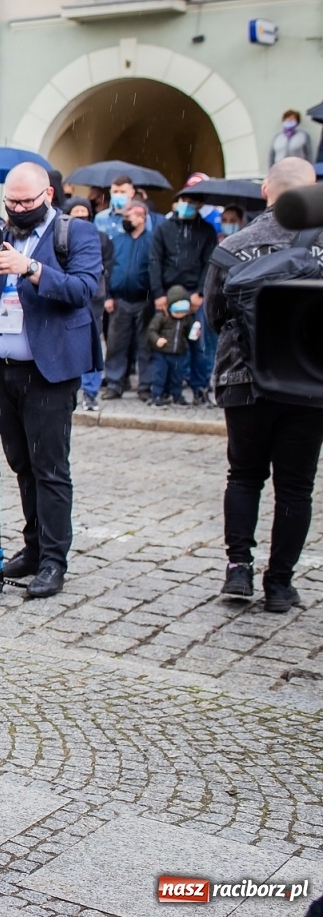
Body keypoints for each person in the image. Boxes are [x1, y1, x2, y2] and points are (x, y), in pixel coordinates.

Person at [0, 162, 103, 598]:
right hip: (2, 368)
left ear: (48, 195)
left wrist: (29, 267)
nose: (17, 209)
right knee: (19, 463)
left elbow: (84, 290)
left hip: (49, 371)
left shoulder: (75, 234)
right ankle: (33, 547)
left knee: (50, 467)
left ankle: (55, 559)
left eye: (26, 202)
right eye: (10, 202)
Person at [205, 157, 320, 613]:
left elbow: (215, 314)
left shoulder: (235, 245)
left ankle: (238, 570)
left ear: (266, 190)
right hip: (310, 385)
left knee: (244, 475)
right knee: (295, 487)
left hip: (244, 378)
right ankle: (280, 583)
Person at [150, 192, 219, 405]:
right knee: (166, 345)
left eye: (191, 203)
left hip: (194, 294)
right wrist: (159, 294)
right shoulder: (164, 228)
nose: (186, 206)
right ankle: (165, 390)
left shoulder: (206, 230)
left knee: (198, 344)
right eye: (183, 201)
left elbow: (210, 263)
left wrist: (200, 293)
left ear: (199, 204)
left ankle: (200, 388)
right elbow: (155, 261)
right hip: (168, 294)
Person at [101, 199, 155, 400]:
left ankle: (146, 386)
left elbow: (155, 269)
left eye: (128, 216)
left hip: (145, 300)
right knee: (115, 344)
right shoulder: (117, 240)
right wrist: (108, 295)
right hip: (120, 300)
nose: (124, 219)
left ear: (142, 217)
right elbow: (108, 269)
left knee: (146, 345)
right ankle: (115, 384)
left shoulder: (152, 240)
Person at [66, 200, 111, 410]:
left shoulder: (100, 237)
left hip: (95, 298)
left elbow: (109, 266)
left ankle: (91, 392)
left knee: (92, 344)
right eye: (76, 213)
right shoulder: (59, 236)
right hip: (68, 296)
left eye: (84, 214)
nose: (81, 217)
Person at [145, 286, 196, 406]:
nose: (180, 314)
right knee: (159, 375)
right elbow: (151, 330)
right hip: (161, 353)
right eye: (177, 311)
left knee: (177, 377)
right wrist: (157, 340)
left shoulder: (187, 320)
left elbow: (190, 335)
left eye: (183, 311)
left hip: (179, 353)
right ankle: (157, 395)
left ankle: (177, 396)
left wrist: (194, 334)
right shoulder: (162, 317)